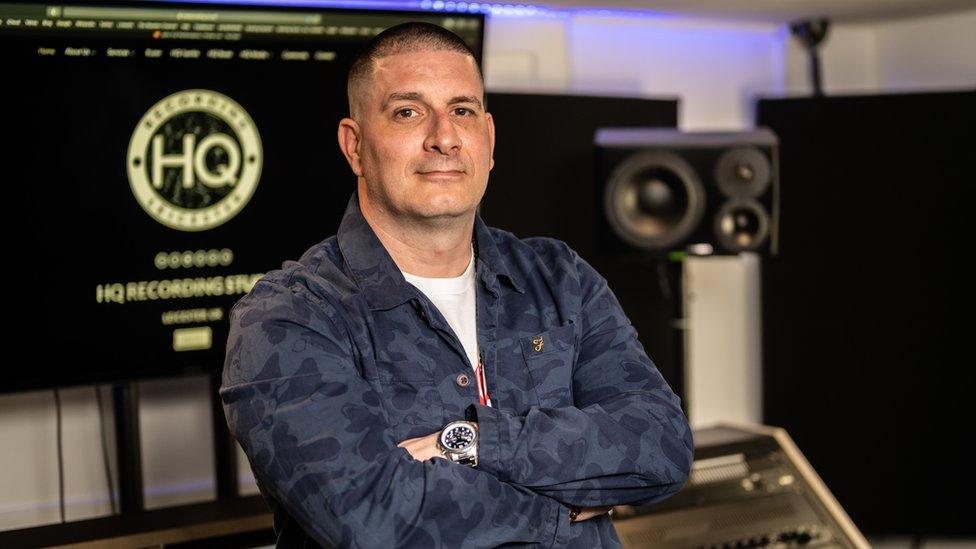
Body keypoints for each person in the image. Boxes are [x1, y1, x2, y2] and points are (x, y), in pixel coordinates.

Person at [221, 22, 693, 548]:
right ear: (355, 146)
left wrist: (472, 444)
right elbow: (373, 518)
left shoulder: (560, 279)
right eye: (408, 111)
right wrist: (566, 507)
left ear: (487, 140)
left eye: (462, 111)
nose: (443, 137)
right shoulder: (287, 318)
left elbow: (662, 446)